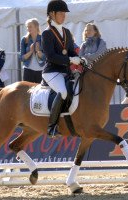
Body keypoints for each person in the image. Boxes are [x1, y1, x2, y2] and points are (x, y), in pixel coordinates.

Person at [42, 0, 82, 138]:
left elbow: (70, 51)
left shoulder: (66, 32)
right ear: (52, 14)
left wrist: (79, 58)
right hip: (51, 71)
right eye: (61, 13)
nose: (64, 15)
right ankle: (52, 127)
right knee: (63, 92)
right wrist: (70, 60)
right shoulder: (47, 33)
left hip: (65, 72)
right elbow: (51, 56)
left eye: (64, 13)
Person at [20, 18, 46, 83]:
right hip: (28, 70)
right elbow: (21, 58)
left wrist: (38, 51)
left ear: (36, 27)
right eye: (27, 27)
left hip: (41, 70)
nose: (28, 29)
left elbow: (46, 57)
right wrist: (30, 52)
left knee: (41, 92)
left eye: (30, 26)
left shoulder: (43, 39)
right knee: (27, 92)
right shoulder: (24, 39)